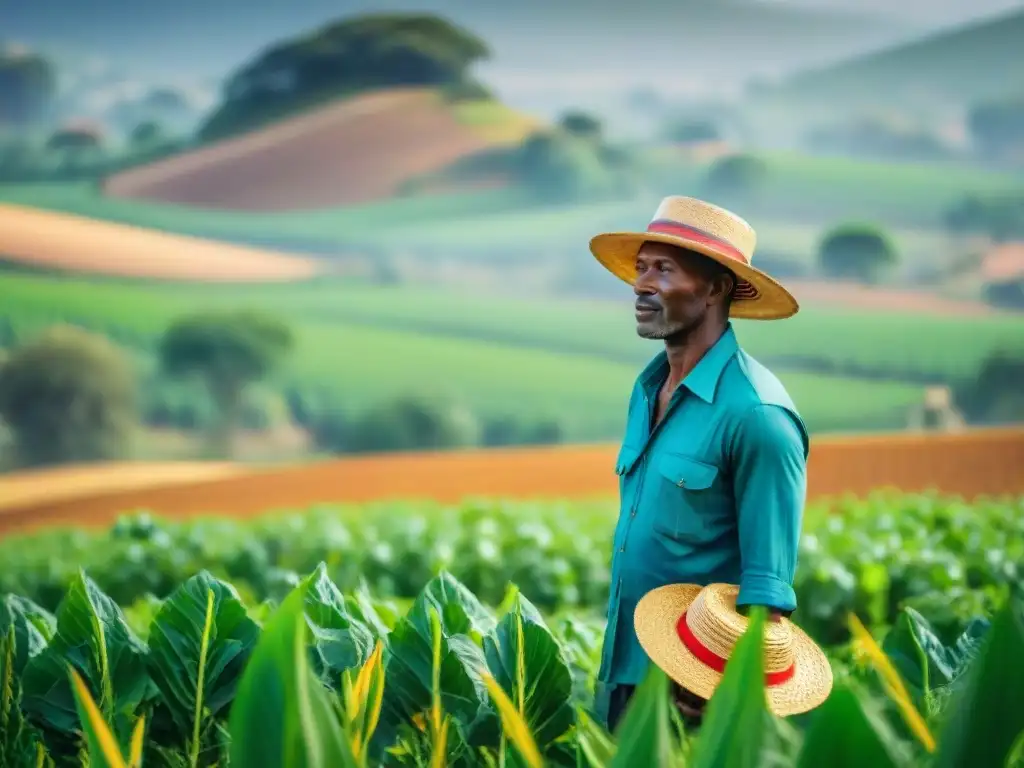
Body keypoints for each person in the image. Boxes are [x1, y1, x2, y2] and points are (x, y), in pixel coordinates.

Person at [587, 196, 810, 732]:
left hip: (696, 694)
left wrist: (724, 685)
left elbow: (768, 588)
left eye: (664, 269)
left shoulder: (757, 415)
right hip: (624, 670)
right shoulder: (648, 392)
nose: (642, 285)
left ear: (715, 288)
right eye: (641, 268)